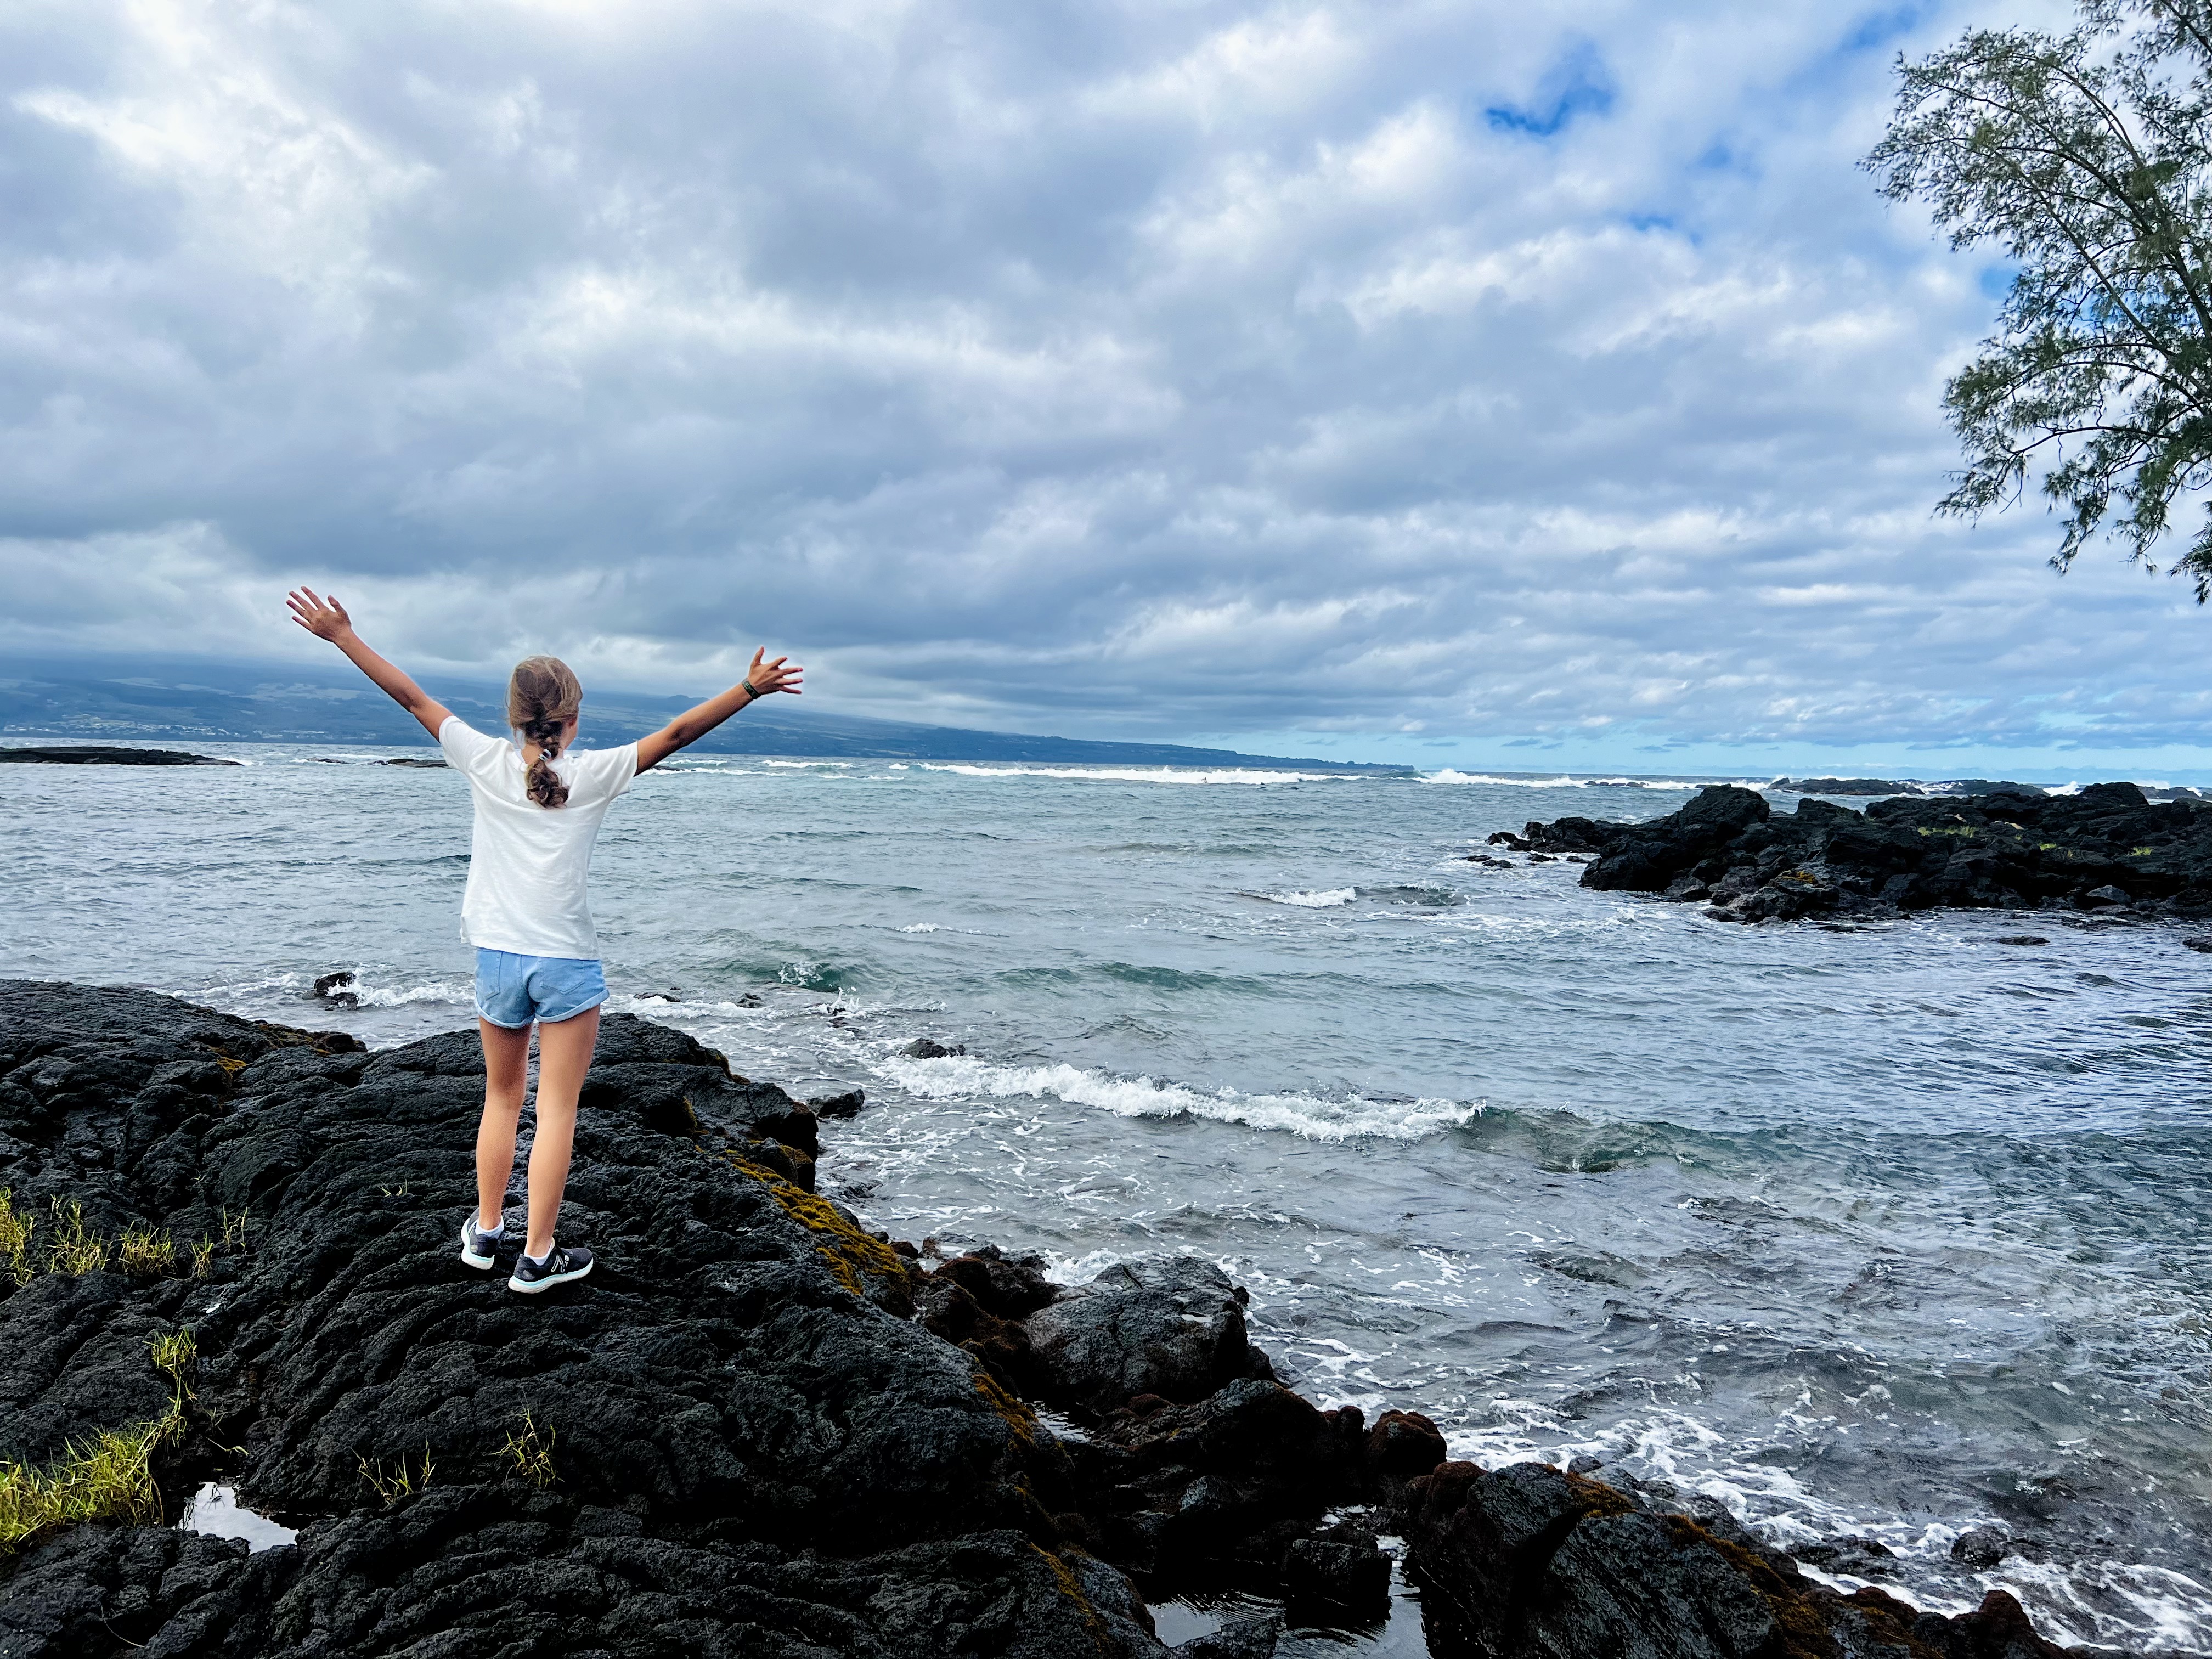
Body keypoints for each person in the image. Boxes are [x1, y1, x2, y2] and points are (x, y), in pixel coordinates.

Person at [285, 588, 802, 1292]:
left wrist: (343, 636)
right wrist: (748, 688)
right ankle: (538, 1256)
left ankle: (486, 1231)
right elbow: (679, 733)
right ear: (574, 717)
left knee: (501, 1098)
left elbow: (410, 697)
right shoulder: (593, 775)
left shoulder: (483, 761)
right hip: (566, 959)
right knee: (557, 1109)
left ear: (512, 716)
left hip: (497, 953)